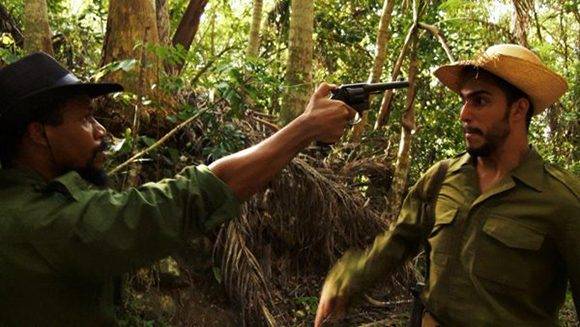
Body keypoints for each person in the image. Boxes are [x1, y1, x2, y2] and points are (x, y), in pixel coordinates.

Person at [0, 52, 356, 325]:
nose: (100, 132)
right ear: (38, 134)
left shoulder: (32, 202)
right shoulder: (36, 222)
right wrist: (305, 127)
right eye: (84, 119)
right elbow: (181, 201)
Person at [315, 44, 579, 327]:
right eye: (463, 101)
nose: (464, 114)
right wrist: (344, 283)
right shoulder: (441, 177)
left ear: (518, 109)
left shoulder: (561, 200)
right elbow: (397, 243)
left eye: (480, 101)